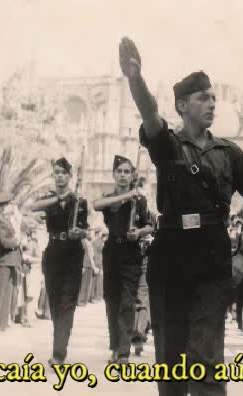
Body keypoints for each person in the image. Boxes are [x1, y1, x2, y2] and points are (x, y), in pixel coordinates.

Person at [119, 37, 243, 396]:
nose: (212, 103)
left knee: (207, 359)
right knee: (171, 361)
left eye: (214, 97)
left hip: (213, 259)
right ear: (182, 105)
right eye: (203, 97)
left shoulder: (229, 153)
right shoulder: (167, 146)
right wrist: (135, 79)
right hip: (170, 257)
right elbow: (149, 114)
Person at [92, 155, 154, 364]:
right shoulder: (111, 198)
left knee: (127, 303)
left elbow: (150, 226)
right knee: (112, 301)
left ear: (132, 175)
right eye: (119, 171)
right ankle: (116, 347)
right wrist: (125, 196)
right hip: (111, 252)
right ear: (113, 175)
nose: (123, 175)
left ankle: (124, 352)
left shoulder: (140, 200)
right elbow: (96, 204)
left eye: (127, 172)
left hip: (131, 254)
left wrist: (139, 233)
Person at [30, 157, 89, 366]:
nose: (60, 176)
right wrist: (58, 199)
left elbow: (85, 230)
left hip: (73, 254)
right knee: (55, 303)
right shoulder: (49, 198)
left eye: (64, 172)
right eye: (57, 172)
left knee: (66, 303)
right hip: (53, 252)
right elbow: (33, 206)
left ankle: (58, 352)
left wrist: (79, 232)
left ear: (70, 176)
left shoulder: (79, 200)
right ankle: (59, 342)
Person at [0, 193, 23, 334]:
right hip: (2, 259)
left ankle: (1, 323)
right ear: (3, 206)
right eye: (9, 204)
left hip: (9, 260)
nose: (11, 207)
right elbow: (4, 242)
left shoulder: (3, 218)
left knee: (6, 293)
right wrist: (18, 241)